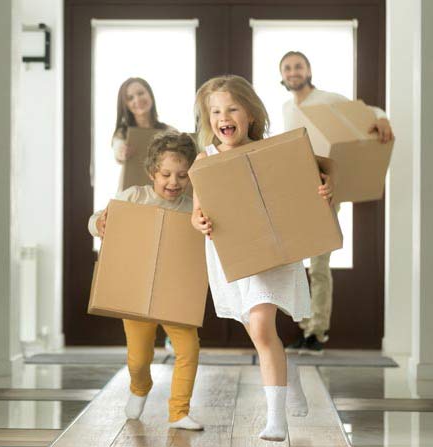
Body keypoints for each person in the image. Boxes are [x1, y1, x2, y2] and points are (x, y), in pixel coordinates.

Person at [191, 75, 330, 441]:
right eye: (216, 110)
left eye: (232, 108)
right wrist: (200, 221)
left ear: (250, 114)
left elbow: (308, 190)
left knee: (262, 325)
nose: (224, 116)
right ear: (209, 118)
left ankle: (276, 419)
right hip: (232, 255)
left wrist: (326, 188)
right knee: (259, 331)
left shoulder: (271, 153)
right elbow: (197, 212)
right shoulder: (204, 158)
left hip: (272, 253)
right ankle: (290, 371)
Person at [276, 51, 393, 352]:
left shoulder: (326, 100)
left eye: (298, 66)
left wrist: (380, 119)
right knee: (294, 265)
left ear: (309, 69)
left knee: (318, 264)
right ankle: (305, 328)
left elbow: (370, 110)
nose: (293, 72)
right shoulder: (287, 107)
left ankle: (318, 331)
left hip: (323, 189)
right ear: (282, 74)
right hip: (294, 191)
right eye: (288, 68)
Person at [88, 131, 205, 431]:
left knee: (189, 350)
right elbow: (98, 219)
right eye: (166, 174)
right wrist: (99, 222)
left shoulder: (192, 207)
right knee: (139, 359)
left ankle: (179, 411)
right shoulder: (134, 197)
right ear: (152, 171)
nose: (173, 182)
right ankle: (140, 387)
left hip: (176, 293)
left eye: (182, 175)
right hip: (136, 291)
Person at [111, 77, 176, 165]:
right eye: (130, 98)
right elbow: (118, 148)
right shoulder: (122, 133)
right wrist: (121, 152)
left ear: (150, 95)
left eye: (141, 93)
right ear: (126, 105)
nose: (137, 100)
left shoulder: (169, 131)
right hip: (132, 179)